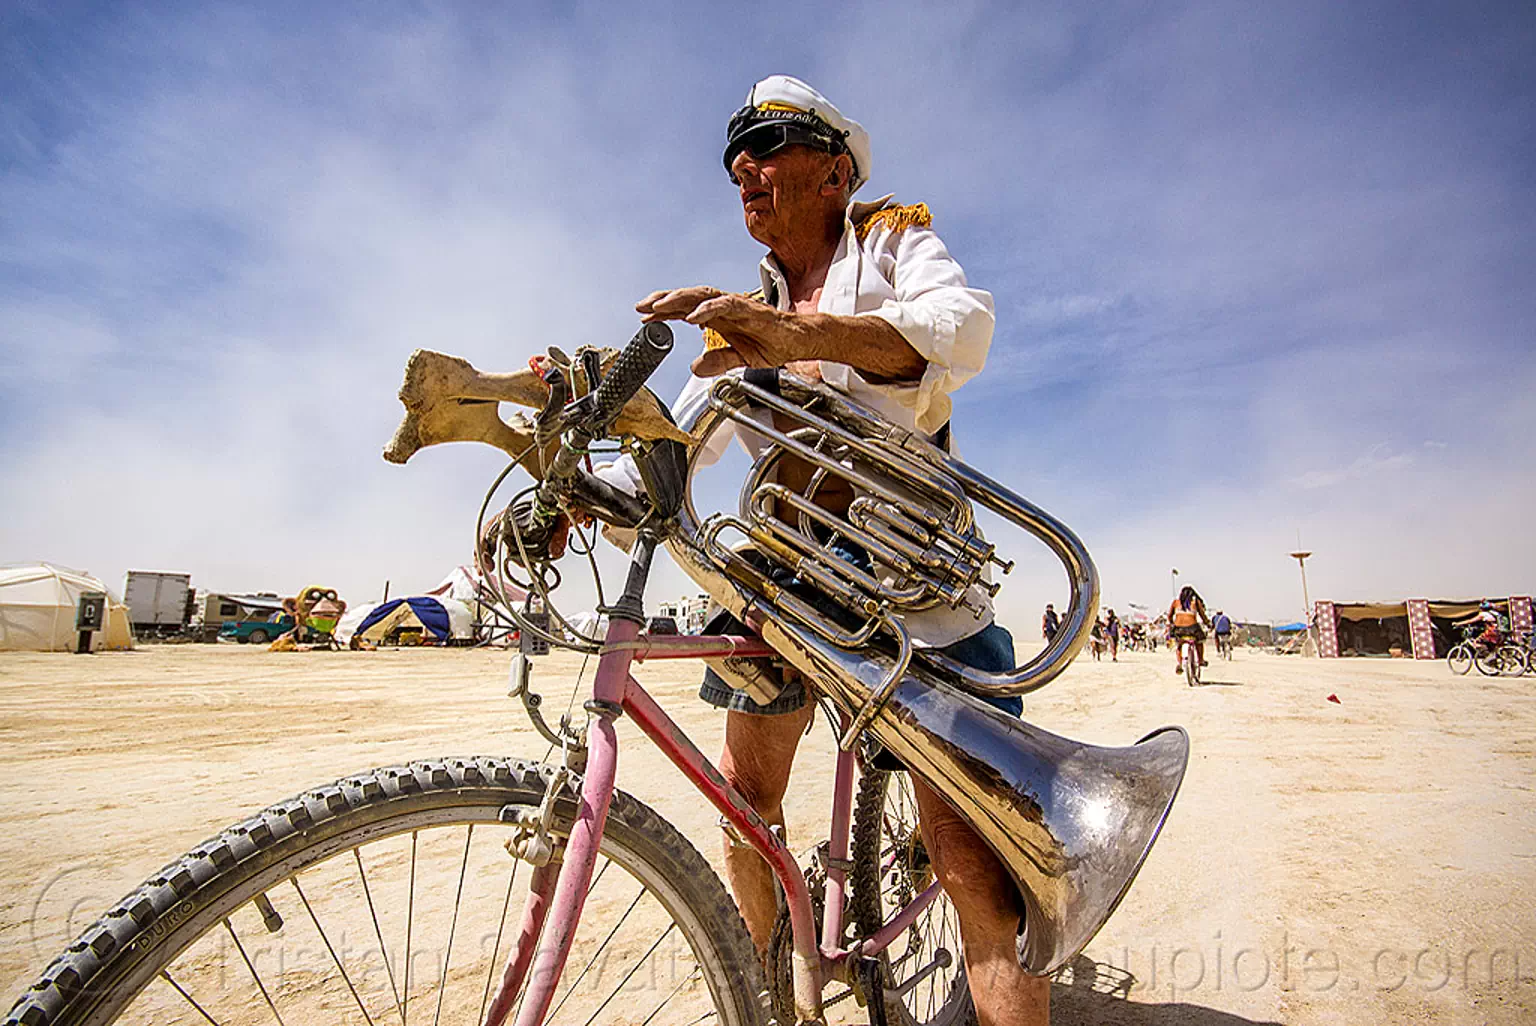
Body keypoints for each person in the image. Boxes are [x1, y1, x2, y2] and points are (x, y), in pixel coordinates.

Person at [597, 76, 1046, 1024]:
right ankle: (771, 995)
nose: (742, 171)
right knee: (743, 808)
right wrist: (586, 487)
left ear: (836, 169)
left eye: (765, 144)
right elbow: (688, 437)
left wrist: (791, 332)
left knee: (968, 861)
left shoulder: (890, 239)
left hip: (909, 572)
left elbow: (961, 329)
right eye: (733, 159)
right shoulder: (742, 307)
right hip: (789, 577)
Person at [1168, 585, 1212, 675]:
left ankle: (1180, 664)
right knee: (1199, 642)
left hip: (1178, 629)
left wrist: (1172, 623)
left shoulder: (1175, 602)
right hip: (1193, 628)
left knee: (1179, 645)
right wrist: (1208, 623)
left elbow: (1169, 616)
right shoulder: (1195, 602)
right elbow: (1202, 616)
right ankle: (1200, 660)